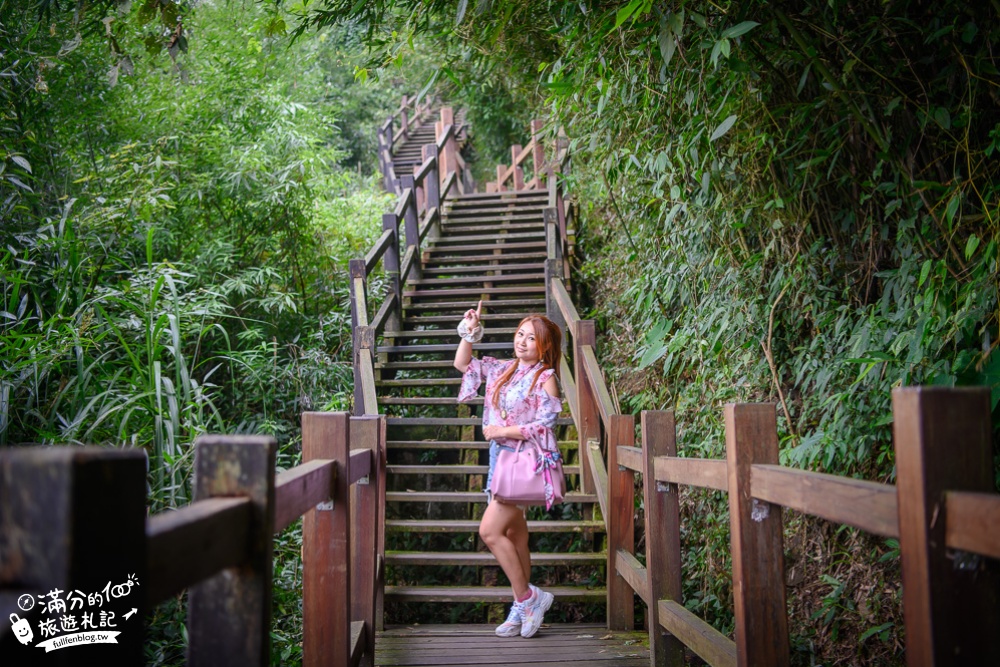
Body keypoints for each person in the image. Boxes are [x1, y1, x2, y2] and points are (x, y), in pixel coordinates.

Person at [453, 301, 564, 639]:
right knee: (515, 535)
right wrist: (469, 331)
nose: (522, 341)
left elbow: (546, 425)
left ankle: (528, 598)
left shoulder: (545, 378)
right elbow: (463, 363)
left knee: (490, 531)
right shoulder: (503, 368)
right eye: (520, 334)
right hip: (498, 459)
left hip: (520, 461)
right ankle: (521, 609)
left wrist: (501, 431)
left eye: (531, 338)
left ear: (544, 346)